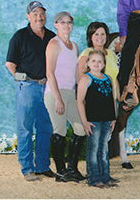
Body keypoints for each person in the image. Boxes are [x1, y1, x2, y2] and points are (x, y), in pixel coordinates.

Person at [6, 1, 56, 181]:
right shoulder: (19, 36)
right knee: (25, 128)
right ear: (28, 16)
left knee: (45, 128)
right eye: (34, 14)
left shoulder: (52, 36)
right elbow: (10, 64)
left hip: (48, 87)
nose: (39, 17)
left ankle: (42, 166)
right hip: (28, 87)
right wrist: (23, 80)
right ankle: (27, 168)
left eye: (42, 13)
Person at [77, 21, 126, 180]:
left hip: (108, 106)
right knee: (95, 145)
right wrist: (84, 115)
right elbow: (81, 83)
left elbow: (114, 78)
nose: (100, 37)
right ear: (90, 37)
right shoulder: (87, 53)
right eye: (96, 34)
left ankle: (105, 175)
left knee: (104, 145)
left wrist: (119, 101)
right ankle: (94, 176)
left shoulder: (111, 54)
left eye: (103, 34)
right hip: (93, 106)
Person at [44, 11, 86, 182]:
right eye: (62, 22)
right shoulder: (54, 44)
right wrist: (58, 98)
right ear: (55, 24)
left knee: (81, 129)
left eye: (69, 22)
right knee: (59, 131)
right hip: (56, 93)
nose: (66, 25)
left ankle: (72, 168)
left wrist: (80, 94)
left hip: (70, 92)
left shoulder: (74, 46)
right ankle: (60, 172)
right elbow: (49, 72)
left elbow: (76, 73)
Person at [77, 50, 118, 188]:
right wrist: (84, 121)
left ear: (104, 64)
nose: (96, 63)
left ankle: (105, 178)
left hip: (107, 120)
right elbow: (80, 101)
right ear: (88, 63)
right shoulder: (86, 79)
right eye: (93, 61)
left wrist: (114, 117)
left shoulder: (108, 79)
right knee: (94, 149)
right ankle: (94, 178)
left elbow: (112, 99)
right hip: (93, 121)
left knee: (104, 149)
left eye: (99, 61)